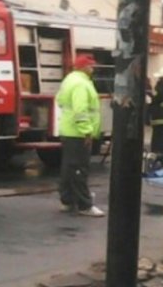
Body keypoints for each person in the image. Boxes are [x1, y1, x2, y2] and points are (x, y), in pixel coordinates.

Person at [56, 54, 104, 217]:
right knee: (79, 169)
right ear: (84, 67)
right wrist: (87, 131)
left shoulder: (69, 80)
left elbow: (60, 101)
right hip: (78, 133)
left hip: (69, 130)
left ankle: (67, 200)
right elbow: (80, 110)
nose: (93, 69)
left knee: (69, 167)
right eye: (91, 66)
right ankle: (85, 204)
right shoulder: (81, 84)